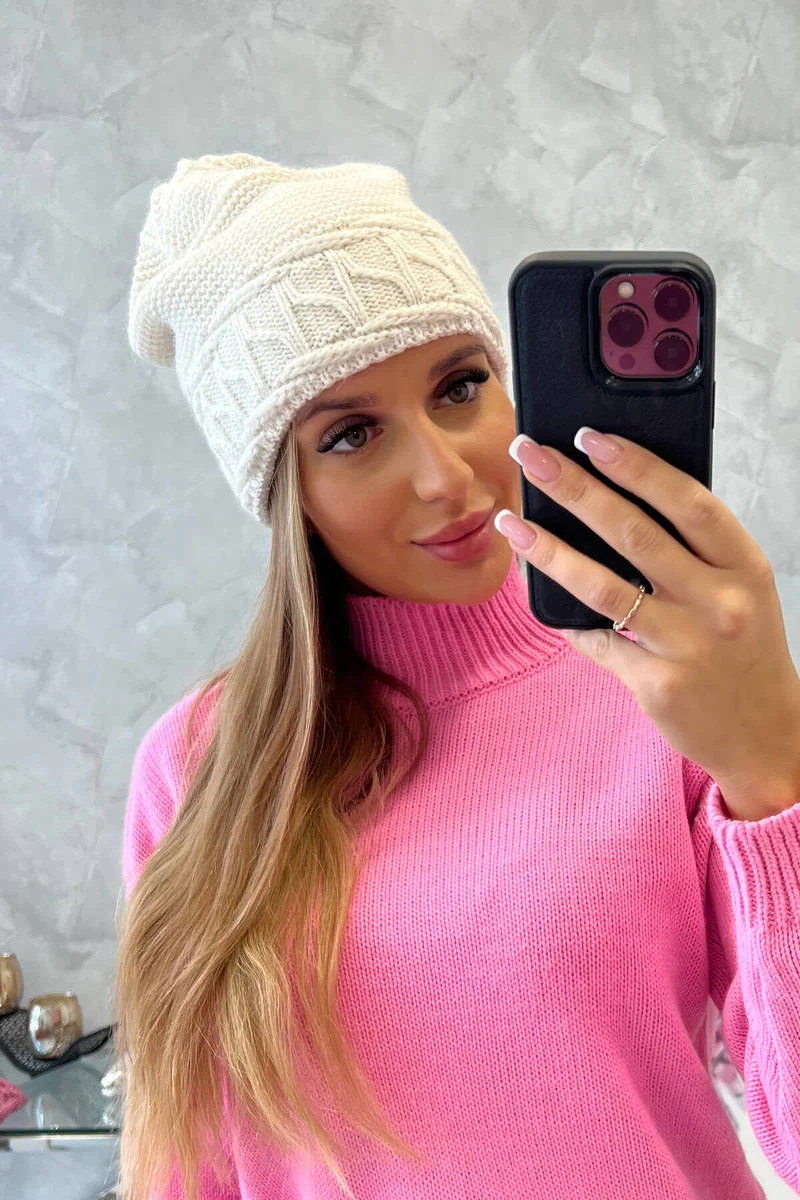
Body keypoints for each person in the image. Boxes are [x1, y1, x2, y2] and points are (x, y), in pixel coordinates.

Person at [115, 154, 800, 1200]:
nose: (445, 476)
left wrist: (773, 775)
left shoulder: (666, 691)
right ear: (285, 495)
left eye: (460, 386)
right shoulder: (198, 766)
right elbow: (185, 1165)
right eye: (350, 434)